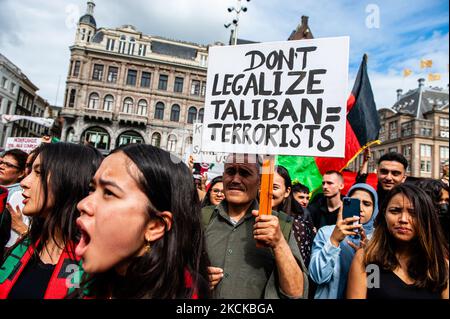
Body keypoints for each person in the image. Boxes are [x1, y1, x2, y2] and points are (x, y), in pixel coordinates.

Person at [74, 144, 210, 299]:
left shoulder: (190, 293)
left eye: (109, 192)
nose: (83, 204)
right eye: (92, 189)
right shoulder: (82, 284)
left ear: (155, 226)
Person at [0, 143, 103, 299]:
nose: (24, 182)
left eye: (39, 173)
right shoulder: (22, 247)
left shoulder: (96, 266)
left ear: (69, 182)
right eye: (29, 171)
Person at [203, 154, 308, 299]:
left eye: (245, 173)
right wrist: (194, 277)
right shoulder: (200, 218)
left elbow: (297, 293)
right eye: (231, 172)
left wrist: (278, 244)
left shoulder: (279, 225)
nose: (235, 179)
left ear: (260, 182)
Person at [347, 184, 449, 299]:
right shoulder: (370, 262)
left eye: (413, 213)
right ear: (384, 214)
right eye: (395, 211)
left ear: (425, 218)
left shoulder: (440, 266)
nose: (403, 220)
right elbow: (374, 290)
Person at [309, 183, 378, 299]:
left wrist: (368, 259)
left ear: (374, 209)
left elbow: (374, 286)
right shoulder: (326, 233)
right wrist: (333, 241)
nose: (360, 208)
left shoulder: (378, 239)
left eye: (367, 204)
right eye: (354, 203)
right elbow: (317, 277)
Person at [272, 166, 314, 267]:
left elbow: (301, 266)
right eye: (262, 185)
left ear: (287, 191)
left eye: (274, 187)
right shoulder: (246, 220)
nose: (267, 191)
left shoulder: (298, 227)